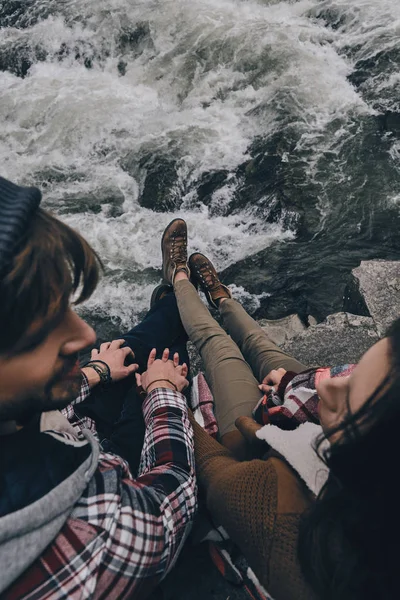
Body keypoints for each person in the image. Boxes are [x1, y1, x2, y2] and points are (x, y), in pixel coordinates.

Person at [160, 217, 400, 600]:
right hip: (295, 406)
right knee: (258, 340)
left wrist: (163, 390)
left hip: (255, 435)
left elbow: (208, 466)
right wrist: (293, 384)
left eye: (350, 396)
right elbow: (330, 382)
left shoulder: (278, 511)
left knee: (216, 343)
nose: (331, 383)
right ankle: (220, 296)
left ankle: (178, 279)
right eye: (352, 372)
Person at [0, 176, 196, 600]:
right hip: (117, 468)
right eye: (43, 327)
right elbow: (169, 499)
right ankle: (183, 293)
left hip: (73, 425)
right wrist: (164, 394)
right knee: (160, 363)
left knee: (127, 351)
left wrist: (94, 374)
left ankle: (176, 297)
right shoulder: (92, 535)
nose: (86, 334)